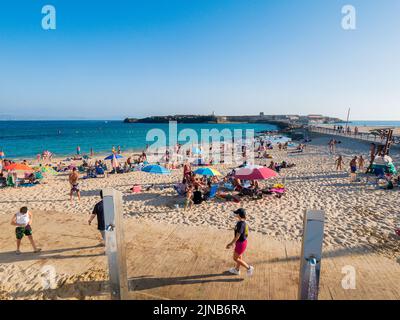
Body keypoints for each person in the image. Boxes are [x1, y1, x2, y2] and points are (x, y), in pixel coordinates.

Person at [226, 208, 254, 276]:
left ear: (239, 215)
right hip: (243, 242)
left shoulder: (240, 224)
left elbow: (237, 236)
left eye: (236, 213)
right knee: (239, 257)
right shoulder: (243, 223)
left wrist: (231, 243)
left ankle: (249, 268)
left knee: (235, 258)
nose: (235, 214)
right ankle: (237, 270)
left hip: (240, 244)